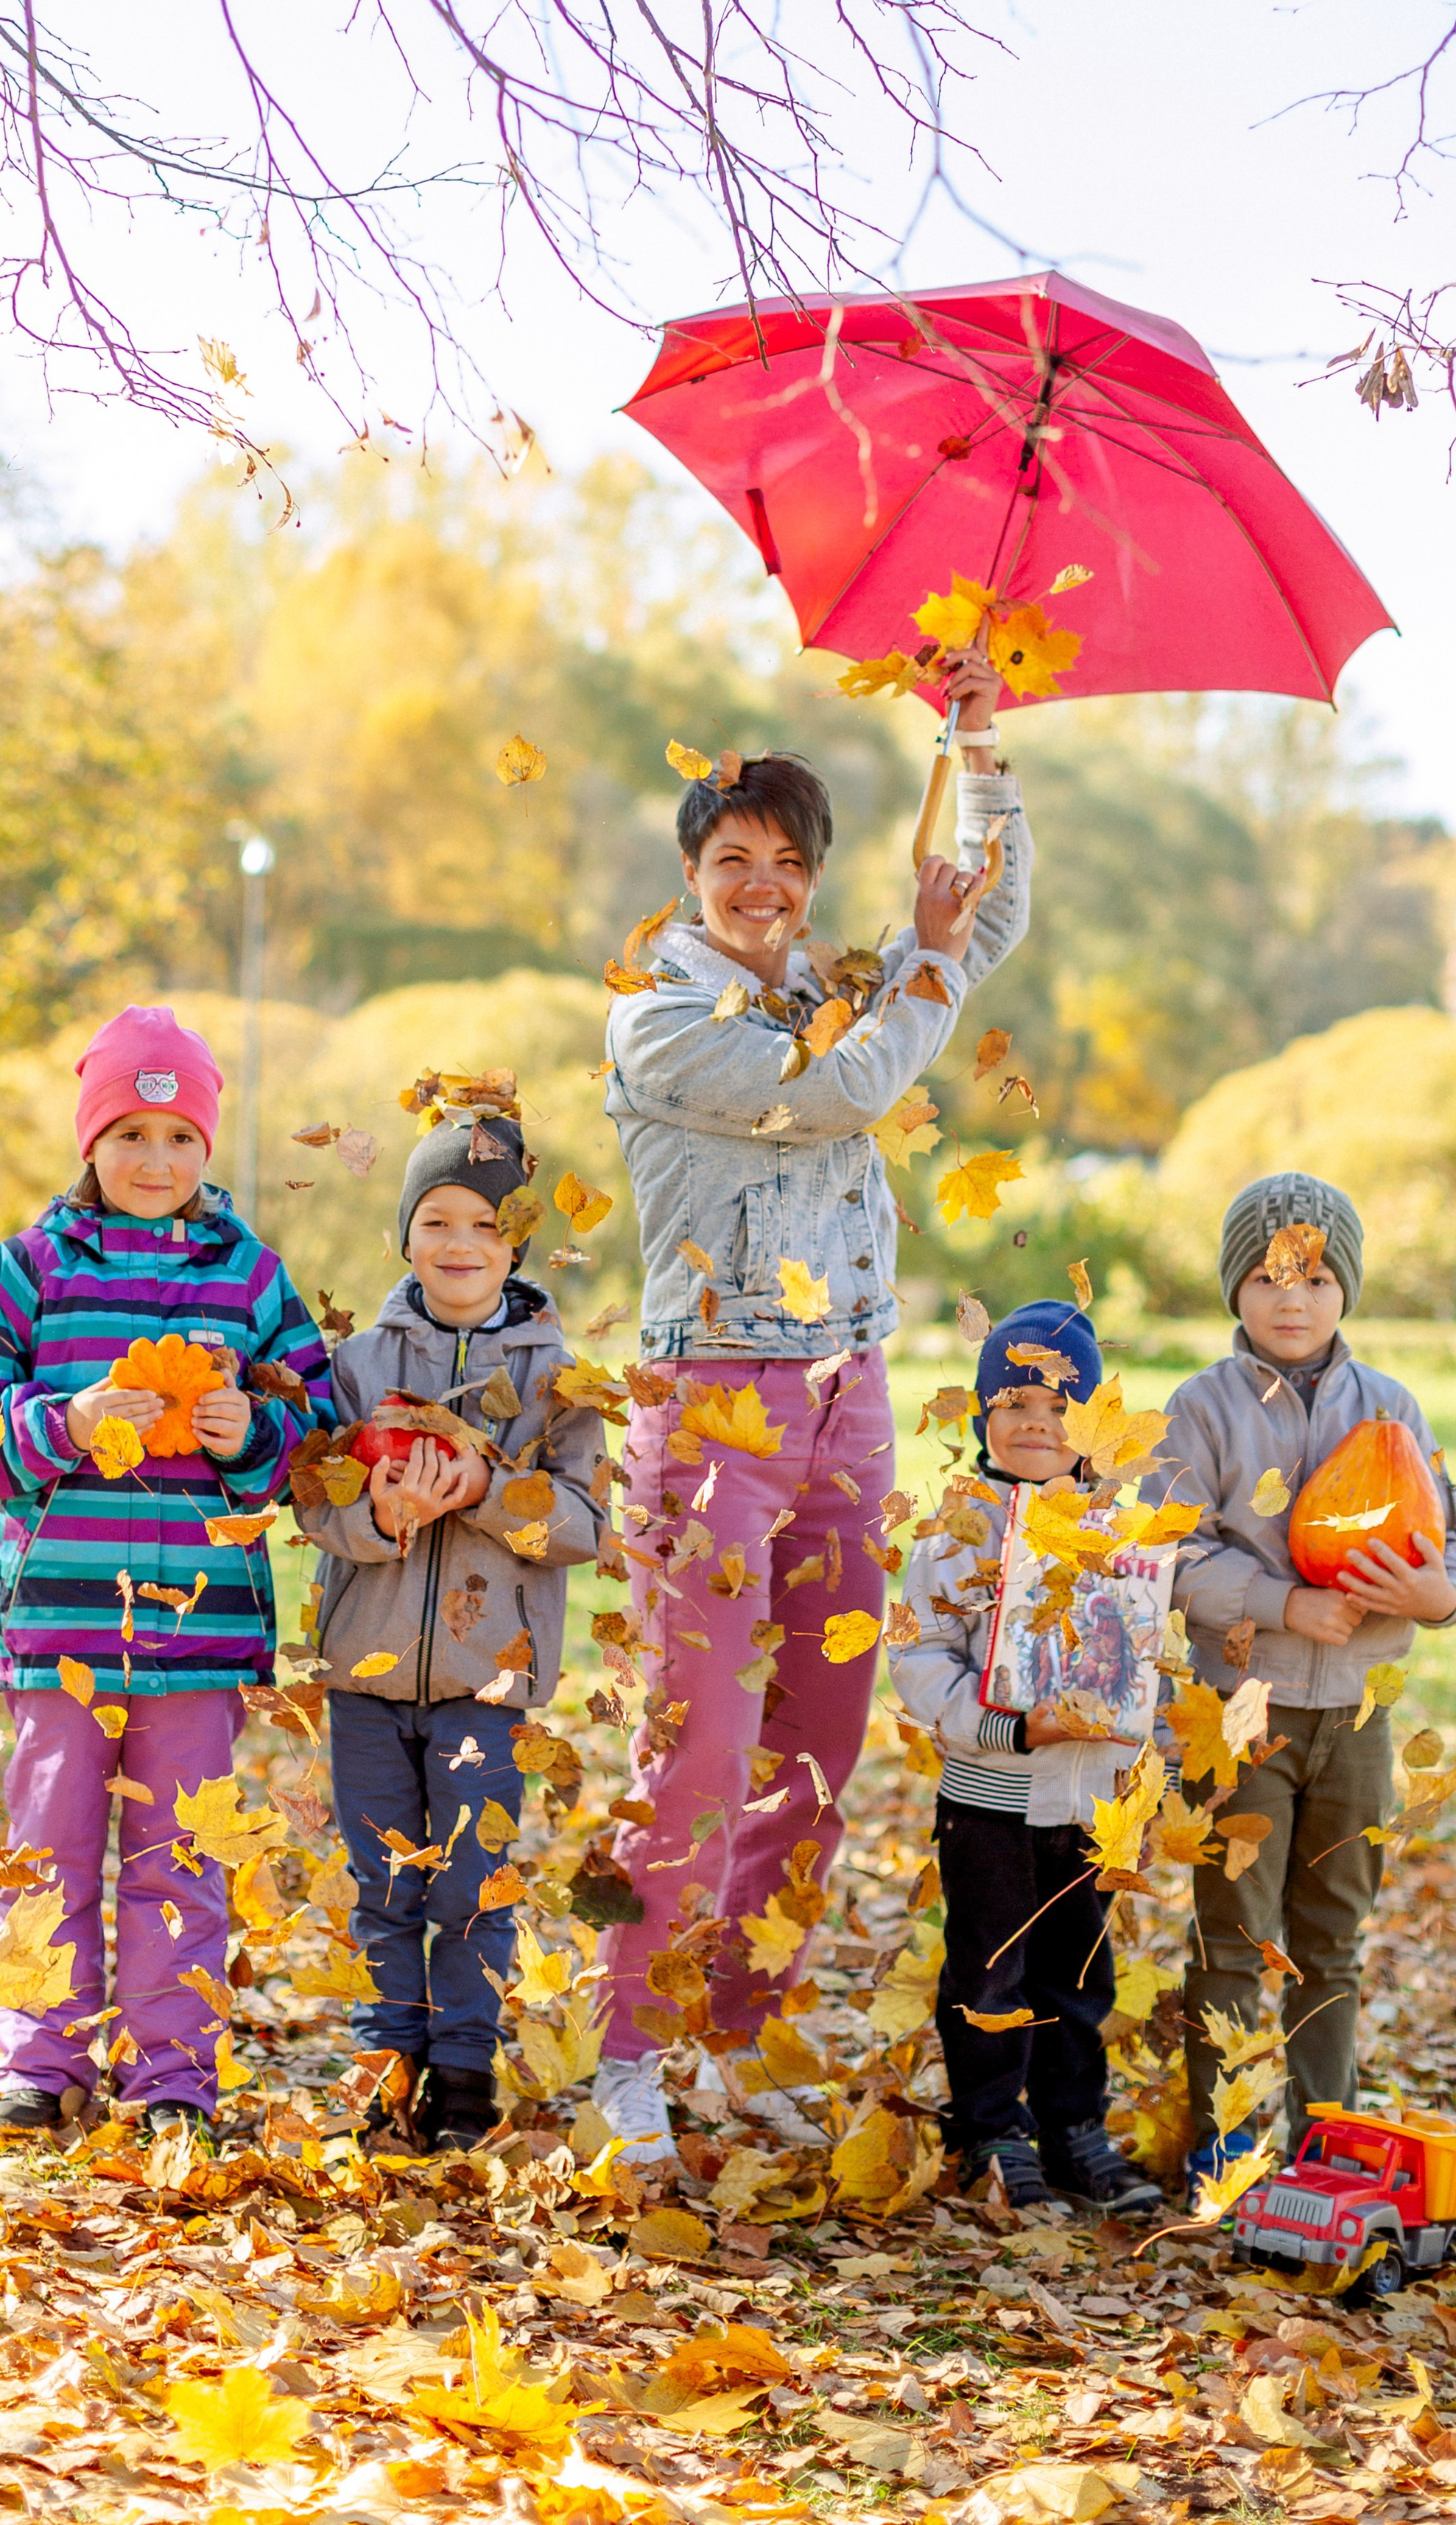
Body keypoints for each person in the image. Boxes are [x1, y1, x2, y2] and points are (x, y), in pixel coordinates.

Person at [593, 662, 1032, 2160]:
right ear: (689, 876)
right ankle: (628, 2050)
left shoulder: (842, 984)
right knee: (699, 1753)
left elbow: (990, 925)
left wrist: (975, 752)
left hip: (846, 1398)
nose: (763, 889)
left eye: (788, 864)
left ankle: (734, 2029)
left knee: (811, 1755)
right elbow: (841, 1091)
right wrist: (913, 966)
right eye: (734, 863)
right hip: (713, 1405)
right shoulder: (660, 1021)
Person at [0, 1005, 331, 2143]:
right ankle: (42, 2064)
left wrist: (251, 1427)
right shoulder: (29, 1269)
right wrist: (67, 1420)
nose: (156, 1160)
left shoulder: (251, 1277)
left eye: (180, 1137)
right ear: (90, 1141)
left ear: (209, 1148)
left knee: (181, 1860)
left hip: (199, 1632)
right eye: (130, 1134)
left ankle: (170, 2081)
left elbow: (320, 1423)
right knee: (47, 1849)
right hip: (60, 1624)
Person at [1143, 1170, 1456, 2197]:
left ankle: (1321, 2136)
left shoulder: (1392, 1408)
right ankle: (1227, 2142)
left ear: (1347, 1290)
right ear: (1234, 1290)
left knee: (1332, 1940)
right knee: (1236, 1935)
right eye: (1265, 1276)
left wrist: (1431, 1596)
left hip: (1359, 1718)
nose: (1292, 1298)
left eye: (1317, 1278)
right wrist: (1282, 1604)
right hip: (1241, 1715)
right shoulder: (1201, 1411)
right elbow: (1168, 1553)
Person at [294, 1113, 602, 2154]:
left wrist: (482, 1489)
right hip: (367, 1683)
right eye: (435, 1219)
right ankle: (391, 2059)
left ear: (517, 1241)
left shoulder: (561, 1377)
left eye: (483, 1221)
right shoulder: (359, 1362)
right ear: (404, 1237)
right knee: (384, 1878)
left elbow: (583, 1523)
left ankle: (464, 2071)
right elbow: (314, 1504)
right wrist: (380, 1518)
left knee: (471, 1883)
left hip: (485, 1687)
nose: (458, 1241)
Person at [891, 1302, 1164, 2214]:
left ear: (1091, 1425)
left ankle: (1072, 2127)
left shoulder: (1122, 1541)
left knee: (1079, 1977)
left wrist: (1142, 1767)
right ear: (980, 1419)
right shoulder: (953, 1533)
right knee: (988, 1975)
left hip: (1089, 1802)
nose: (1035, 1422)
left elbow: (1151, 1659)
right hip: (992, 1800)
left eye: (1059, 1404)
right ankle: (989, 2132)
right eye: (1010, 1401)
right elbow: (922, 1658)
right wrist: (1006, 1726)